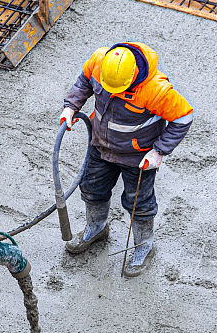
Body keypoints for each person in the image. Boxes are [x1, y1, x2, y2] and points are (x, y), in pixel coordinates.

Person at [59, 43, 193, 276]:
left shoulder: (155, 90)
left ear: (133, 78)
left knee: (138, 203)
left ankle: (144, 247)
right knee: (91, 189)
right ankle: (96, 228)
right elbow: (83, 81)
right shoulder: (100, 62)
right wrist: (71, 107)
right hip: (100, 146)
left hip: (138, 157)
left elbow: (183, 117)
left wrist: (159, 151)